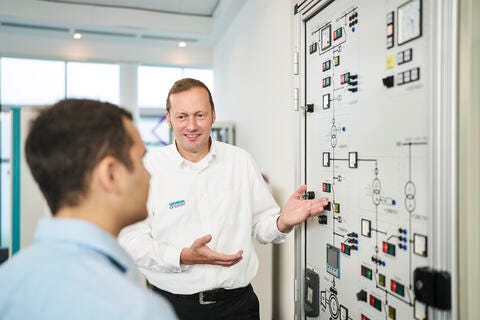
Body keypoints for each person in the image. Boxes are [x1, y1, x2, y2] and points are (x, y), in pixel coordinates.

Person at [119, 78, 328, 319]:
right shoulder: (148, 168)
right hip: (171, 307)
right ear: (168, 118)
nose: (192, 125)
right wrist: (182, 256)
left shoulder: (240, 161)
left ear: (213, 115)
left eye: (200, 114)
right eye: (182, 116)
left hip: (237, 307)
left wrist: (283, 221)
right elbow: (132, 240)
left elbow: (262, 226)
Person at [0, 99, 177, 320]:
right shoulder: (138, 309)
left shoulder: (7, 281)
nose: (149, 175)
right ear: (110, 175)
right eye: (141, 161)